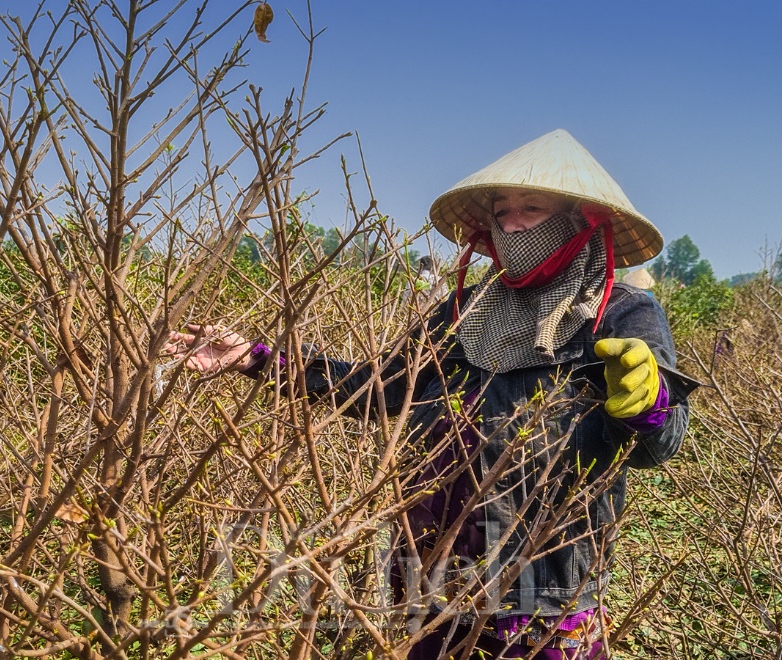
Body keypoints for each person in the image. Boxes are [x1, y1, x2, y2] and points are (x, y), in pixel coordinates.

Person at [165, 129, 697, 658]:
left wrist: (648, 407)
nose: (510, 224)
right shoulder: (464, 310)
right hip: (436, 568)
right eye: (501, 211)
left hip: (546, 581)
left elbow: (657, 448)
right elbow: (376, 391)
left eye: (531, 209)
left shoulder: (621, 312)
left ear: (581, 222)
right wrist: (258, 360)